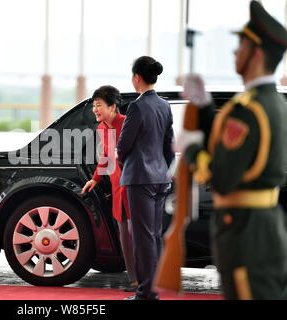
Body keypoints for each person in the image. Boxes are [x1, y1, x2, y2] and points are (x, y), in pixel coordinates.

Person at [179, 1, 287, 300]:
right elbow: (243, 147)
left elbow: (221, 177)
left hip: (243, 228)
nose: (234, 52)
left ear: (257, 53)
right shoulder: (271, 103)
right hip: (264, 223)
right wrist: (205, 109)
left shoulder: (248, 109)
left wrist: (192, 148)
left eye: (240, 45)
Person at [117, 57, 174, 300]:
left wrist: (125, 163)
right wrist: (162, 168)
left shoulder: (137, 107)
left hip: (140, 178)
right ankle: (153, 287)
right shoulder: (164, 105)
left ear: (137, 77)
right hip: (161, 176)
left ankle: (146, 292)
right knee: (154, 234)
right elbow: (169, 146)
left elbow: (123, 145)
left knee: (142, 237)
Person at [81, 85, 137, 292]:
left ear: (113, 107)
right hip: (117, 188)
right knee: (124, 236)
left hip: (134, 187)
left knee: (136, 234)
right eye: (94, 106)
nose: (95, 110)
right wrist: (95, 179)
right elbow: (106, 156)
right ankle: (134, 281)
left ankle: (147, 280)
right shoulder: (102, 128)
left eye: (99, 105)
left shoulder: (128, 124)